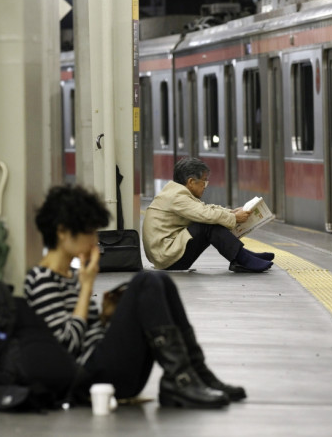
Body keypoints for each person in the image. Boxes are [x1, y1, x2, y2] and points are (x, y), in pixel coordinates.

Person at [24, 184, 246, 408]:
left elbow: (87, 333)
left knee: (161, 281)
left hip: (110, 373)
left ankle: (196, 374)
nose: (93, 240)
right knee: (145, 282)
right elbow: (67, 346)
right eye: (88, 231)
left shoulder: (73, 275)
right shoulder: (42, 279)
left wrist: (109, 316)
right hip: (87, 380)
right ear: (62, 232)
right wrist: (86, 289)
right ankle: (180, 381)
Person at [142, 157, 274, 272]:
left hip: (167, 254)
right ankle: (242, 258)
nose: (205, 186)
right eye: (204, 181)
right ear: (191, 182)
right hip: (168, 257)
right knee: (208, 224)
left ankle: (244, 255)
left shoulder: (176, 192)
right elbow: (204, 214)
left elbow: (203, 208)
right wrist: (234, 218)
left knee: (211, 219)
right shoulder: (177, 196)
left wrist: (231, 212)